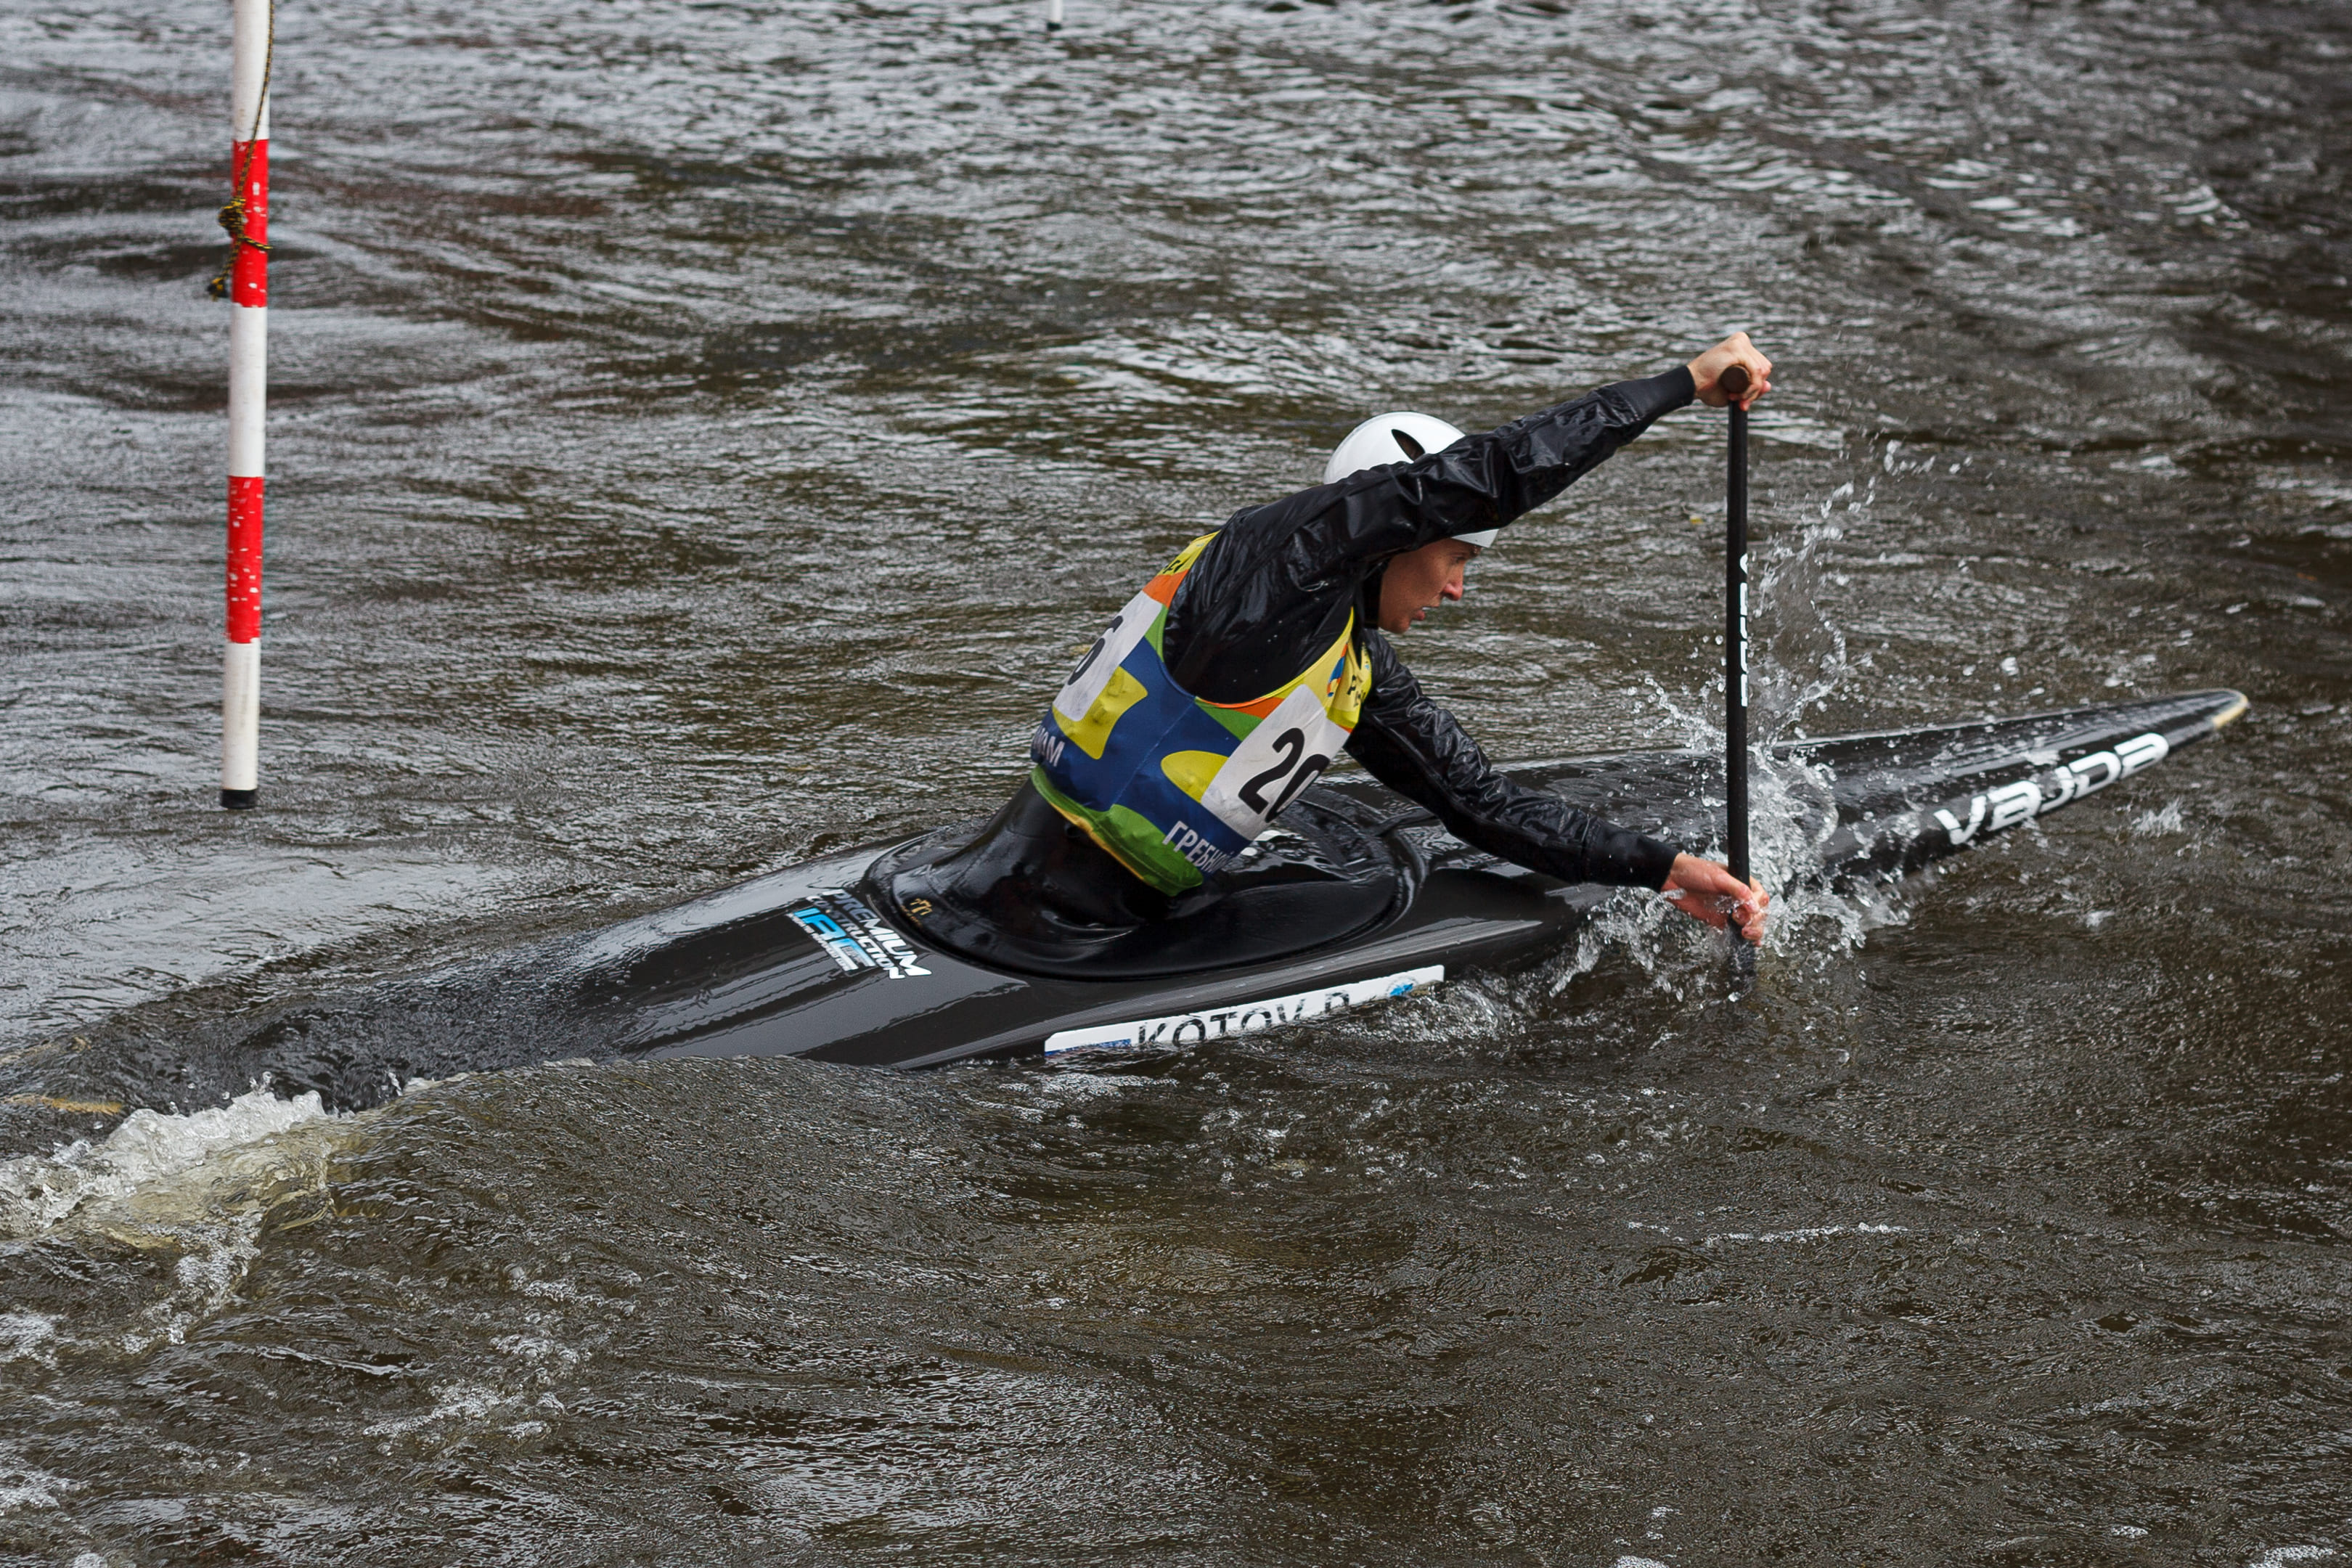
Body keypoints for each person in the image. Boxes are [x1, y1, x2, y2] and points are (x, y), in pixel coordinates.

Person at [901, 333, 1775, 960]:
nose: (1458, 589)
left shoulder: (1348, 663)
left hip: (1042, 897)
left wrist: (1665, 870)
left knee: (1355, 867)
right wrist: (1681, 384)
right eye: (1457, 558)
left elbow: (1481, 803)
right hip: (1034, 931)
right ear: (1399, 534)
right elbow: (1495, 474)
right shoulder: (1268, 572)